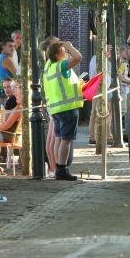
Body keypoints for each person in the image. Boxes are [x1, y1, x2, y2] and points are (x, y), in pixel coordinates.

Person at [43, 41, 83, 181]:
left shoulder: (49, 67)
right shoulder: (61, 65)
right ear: (56, 54)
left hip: (56, 108)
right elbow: (78, 57)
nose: (65, 51)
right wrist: (70, 47)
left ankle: (57, 168)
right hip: (67, 108)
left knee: (59, 139)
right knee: (66, 140)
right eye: (63, 50)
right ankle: (62, 169)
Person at [40, 36, 60, 177]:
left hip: (52, 103)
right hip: (57, 104)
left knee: (51, 138)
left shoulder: (47, 64)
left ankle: (53, 168)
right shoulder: (53, 64)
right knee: (55, 138)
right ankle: (54, 168)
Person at [88, 46, 114, 145]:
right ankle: (93, 136)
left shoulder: (108, 61)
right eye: (108, 50)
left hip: (106, 89)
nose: (110, 53)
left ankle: (107, 134)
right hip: (97, 88)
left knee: (107, 112)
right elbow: (95, 74)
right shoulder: (96, 59)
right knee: (95, 111)